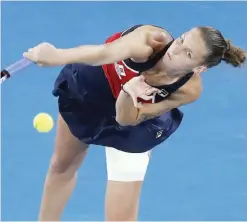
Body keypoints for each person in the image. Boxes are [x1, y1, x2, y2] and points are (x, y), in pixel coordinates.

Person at [24, 24, 246, 221]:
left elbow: (127, 119)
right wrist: (56, 55)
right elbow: (103, 53)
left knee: (121, 217)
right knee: (62, 166)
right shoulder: (150, 41)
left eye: (187, 53)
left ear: (199, 69)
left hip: (131, 121)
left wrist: (128, 94)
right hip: (90, 92)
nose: (175, 50)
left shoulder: (188, 89)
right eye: (181, 39)